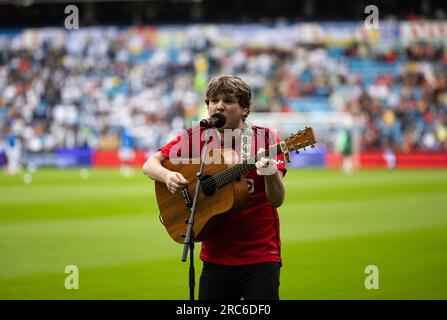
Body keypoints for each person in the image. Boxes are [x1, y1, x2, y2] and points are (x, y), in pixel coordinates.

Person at [143, 75, 287, 300]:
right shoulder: (196, 136)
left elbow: (276, 200)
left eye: (228, 101)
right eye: (213, 100)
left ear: (245, 109)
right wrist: (167, 176)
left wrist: (269, 174)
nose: (219, 106)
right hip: (215, 256)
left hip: (260, 257)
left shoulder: (265, 139)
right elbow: (150, 164)